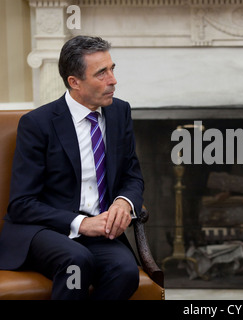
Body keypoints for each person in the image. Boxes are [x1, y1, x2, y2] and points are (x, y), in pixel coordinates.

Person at [0, 36, 144, 299]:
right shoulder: (38, 124)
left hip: (99, 233)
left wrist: (124, 203)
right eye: (102, 73)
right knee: (76, 261)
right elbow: (21, 203)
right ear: (74, 82)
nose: (113, 80)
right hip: (44, 230)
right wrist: (82, 223)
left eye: (112, 69)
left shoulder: (119, 112)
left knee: (125, 270)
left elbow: (131, 174)